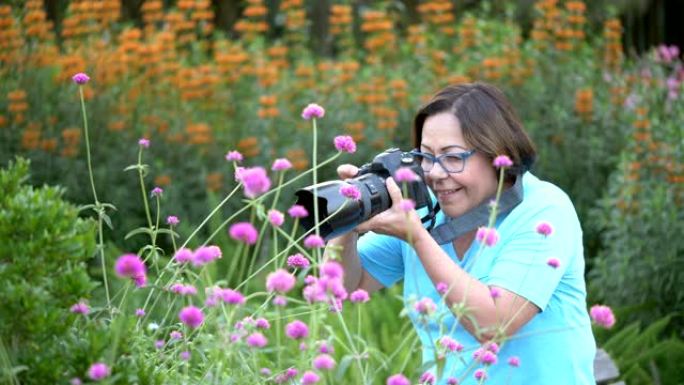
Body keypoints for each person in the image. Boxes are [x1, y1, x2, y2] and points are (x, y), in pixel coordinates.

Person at [328, 82, 596, 384]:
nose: (436, 174)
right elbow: (343, 287)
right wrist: (350, 215)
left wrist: (417, 238)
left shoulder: (544, 211)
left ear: (497, 154)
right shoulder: (422, 207)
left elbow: (492, 326)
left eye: (453, 157)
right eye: (426, 156)